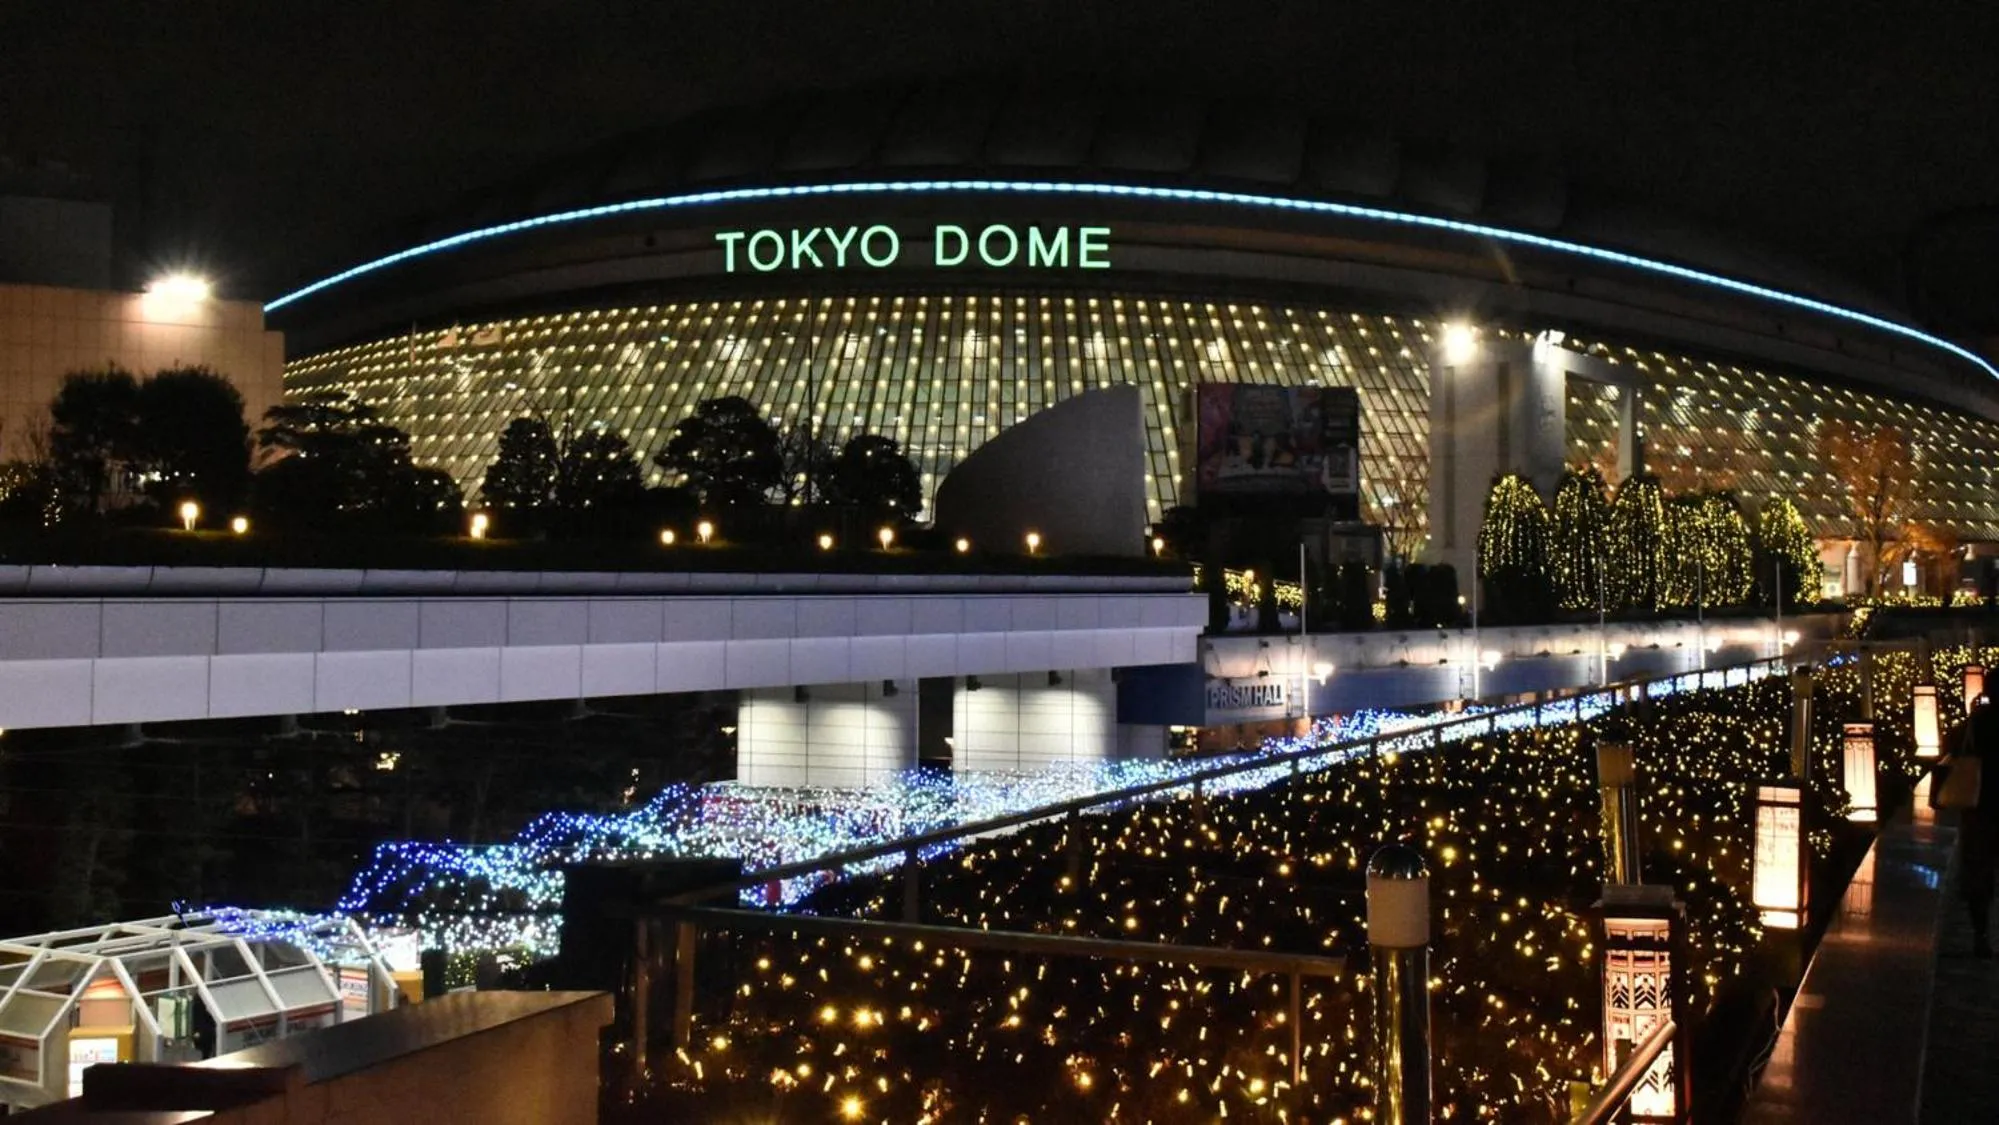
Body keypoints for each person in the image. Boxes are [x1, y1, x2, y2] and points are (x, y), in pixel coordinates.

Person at [1945, 695, 1999, 956]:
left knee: (1979, 872)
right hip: (1984, 807)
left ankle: (1981, 933)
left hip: (1979, 805)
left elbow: (1953, 747)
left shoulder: (1978, 721)